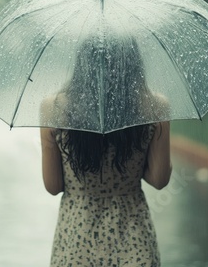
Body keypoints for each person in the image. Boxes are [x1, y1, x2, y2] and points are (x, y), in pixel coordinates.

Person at [40, 33, 171, 266]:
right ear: (132, 62)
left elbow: (53, 185)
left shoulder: (55, 108)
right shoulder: (154, 106)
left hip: (75, 243)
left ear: (83, 62)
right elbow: (159, 179)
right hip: (134, 242)